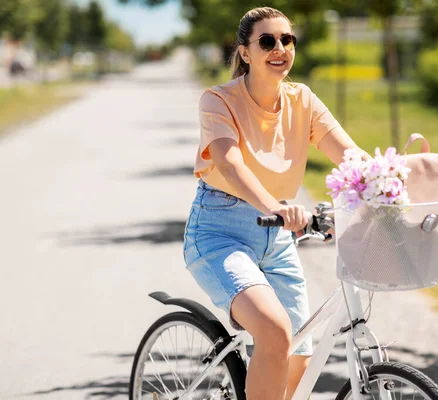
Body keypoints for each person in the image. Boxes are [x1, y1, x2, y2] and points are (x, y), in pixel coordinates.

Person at [183, 6, 365, 400]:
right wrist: (276, 207)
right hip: (219, 233)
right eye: (267, 41)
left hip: (276, 239)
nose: (279, 48)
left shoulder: (304, 101)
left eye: (287, 40)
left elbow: (350, 155)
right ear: (245, 52)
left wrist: (386, 180)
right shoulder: (217, 101)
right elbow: (230, 164)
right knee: (275, 331)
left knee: (298, 353)